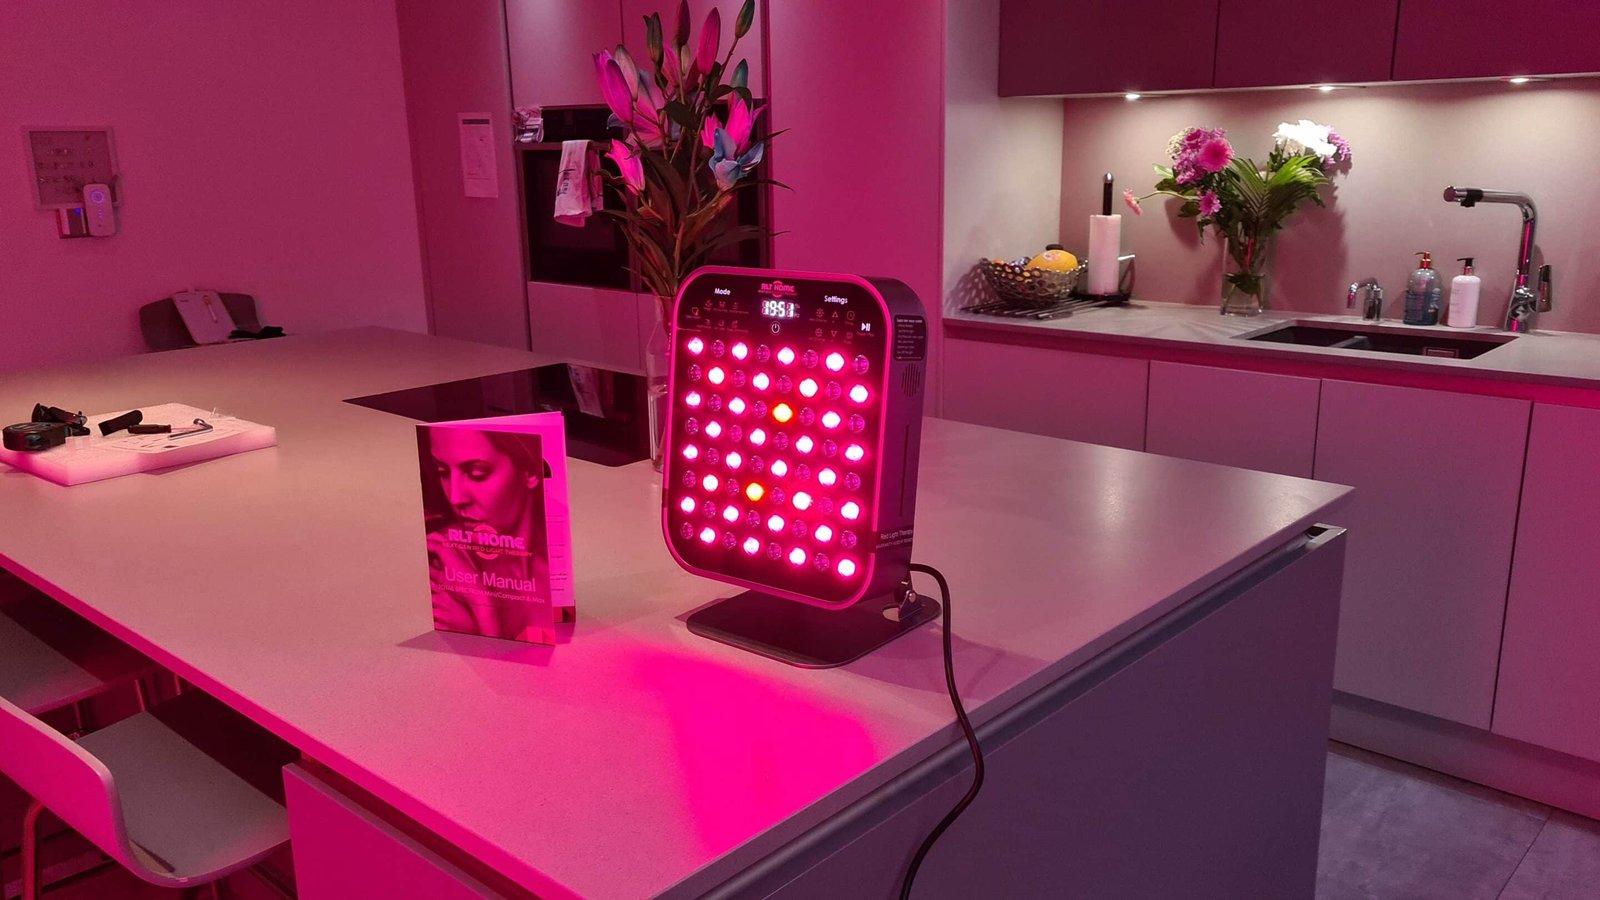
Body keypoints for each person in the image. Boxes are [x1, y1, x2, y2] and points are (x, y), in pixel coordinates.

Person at [422, 428, 553, 643]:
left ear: (530, 472)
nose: (455, 497)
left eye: (477, 474)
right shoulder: (442, 567)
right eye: (443, 472)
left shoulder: (554, 561)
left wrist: (483, 609)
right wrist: (483, 606)